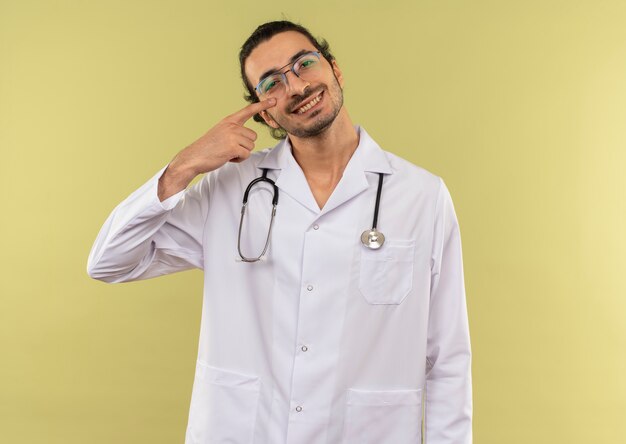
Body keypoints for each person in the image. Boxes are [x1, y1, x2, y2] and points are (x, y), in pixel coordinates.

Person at [87, 20, 472, 444]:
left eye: (304, 64)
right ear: (264, 109)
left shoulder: (421, 196)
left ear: (335, 70)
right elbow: (109, 262)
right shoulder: (229, 189)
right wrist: (185, 165)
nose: (296, 87)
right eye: (272, 83)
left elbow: (447, 357)